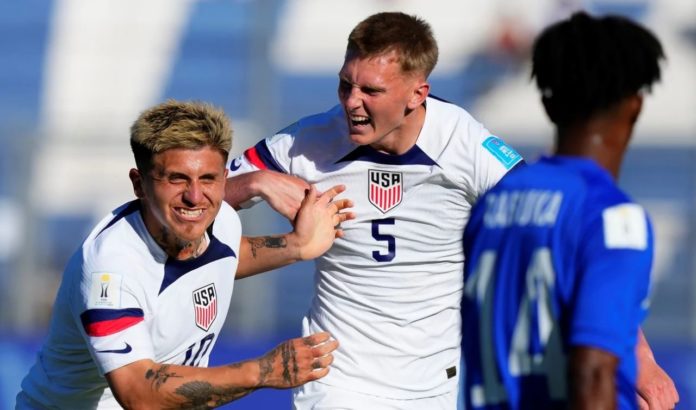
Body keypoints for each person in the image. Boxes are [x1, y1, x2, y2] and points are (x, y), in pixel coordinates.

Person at [225, 11, 677, 410]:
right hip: (338, 382)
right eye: (346, 84)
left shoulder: (465, 144)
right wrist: (256, 180)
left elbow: (553, 225)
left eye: (370, 90)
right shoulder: (308, 141)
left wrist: (641, 358)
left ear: (417, 94)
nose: (350, 102)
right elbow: (191, 196)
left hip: (437, 388)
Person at [16, 100, 353, 409]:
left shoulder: (219, 220)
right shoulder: (112, 269)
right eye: (176, 179)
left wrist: (296, 245)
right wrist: (262, 371)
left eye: (207, 179)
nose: (194, 197)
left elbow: (222, 258)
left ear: (224, 178)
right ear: (139, 184)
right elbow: (140, 395)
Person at [460, 11, 678, 409]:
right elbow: (592, 372)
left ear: (547, 103)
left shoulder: (493, 206)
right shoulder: (612, 218)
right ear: (634, 105)